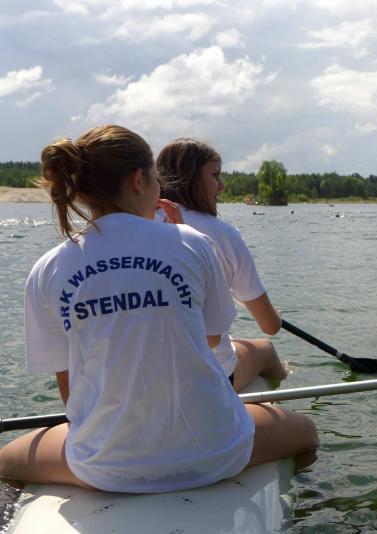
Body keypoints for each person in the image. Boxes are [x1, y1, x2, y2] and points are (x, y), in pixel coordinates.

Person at [0, 125, 317, 492]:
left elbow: (69, 389)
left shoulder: (47, 268)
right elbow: (211, 338)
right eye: (155, 179)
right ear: (139, 180)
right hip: (214, 450)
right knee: (306, 432)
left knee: (6, 460)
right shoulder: (194, 243)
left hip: (104, 465)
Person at [156, 138, 286, 392]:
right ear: (191, 179)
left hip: (152, 373)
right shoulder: (224, 234)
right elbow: (269, 326)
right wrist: (277, 317)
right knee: (267, 350)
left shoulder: (138, 223)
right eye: (215, 175)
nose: (223, 186)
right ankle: (274, 402)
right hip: (211, 374)